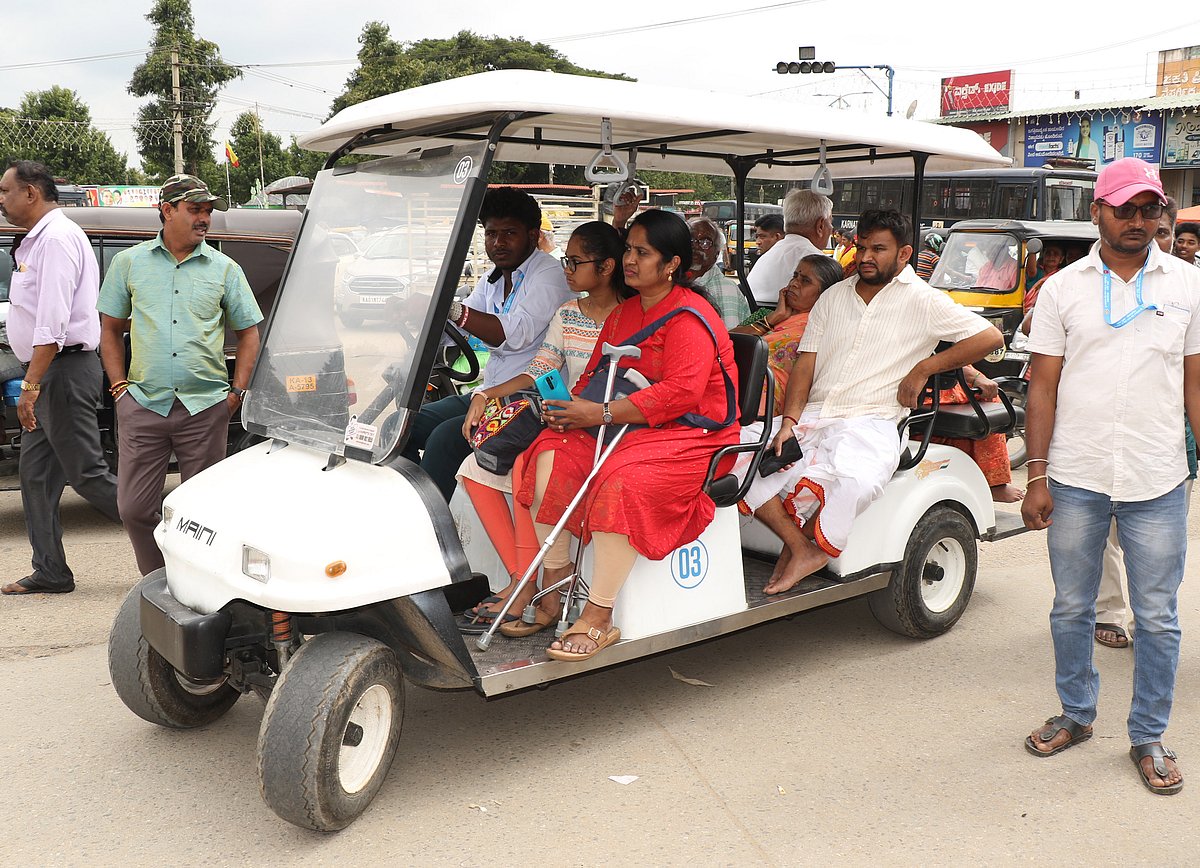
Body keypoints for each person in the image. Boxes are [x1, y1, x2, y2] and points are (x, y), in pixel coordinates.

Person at [1021, 157, 1200, 796]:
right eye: (1124, 208)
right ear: (1096, 210)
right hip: (1075, 473)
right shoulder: (1063, 289)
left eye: (1150, 208)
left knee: (1157, 616)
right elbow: (1041, 388)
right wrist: (1035, 474)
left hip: (1157, 475)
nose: (1139, 220)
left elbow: (1196, 384)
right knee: (1072, 605)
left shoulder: (1188, 285)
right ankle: (1076, 713)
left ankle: (1148, 735)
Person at [515, 209, 740, 661]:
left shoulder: (690, 318)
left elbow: (681, 395)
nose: (630, 260)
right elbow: (599, 373)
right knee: (550, 452)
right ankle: (555, 587)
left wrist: (596, 413)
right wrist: (569, 411)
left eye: (642, 252)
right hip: (626, 421)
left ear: (672, 263)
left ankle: (599, 615)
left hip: (694, 434)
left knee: (621, 479)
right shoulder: (626, 313)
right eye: (629, 250)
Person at [741, 209, 1001, 595]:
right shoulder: (833, 297)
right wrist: (789, 421)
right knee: (736, 452)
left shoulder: (924, 300)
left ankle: (801, 550)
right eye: (862, 247)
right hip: (815, 416)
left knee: (853, 482)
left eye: (878, 249)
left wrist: (924, 369)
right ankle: (801, 549)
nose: (865, 257)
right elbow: (805, 366)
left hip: (875, 422)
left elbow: (990, 338)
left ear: (904, 253)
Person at [455, 222, 632, 633]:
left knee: (524, 466)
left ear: (606, 267)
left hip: (606, 428)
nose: (566, 268)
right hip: (560, 420)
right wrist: (486, 395)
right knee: (474, 469)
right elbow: (540, 370)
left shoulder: (631, 317)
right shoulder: (568, 314)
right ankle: (525, 577)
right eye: (564, 259)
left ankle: (527, 586)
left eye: (574, 261)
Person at [96, 174, 261, 577]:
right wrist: (120, 389)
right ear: (167, 211)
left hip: (205, 408)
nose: (204, 218)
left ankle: (198, 586)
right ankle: (159, 583)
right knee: (133, 509)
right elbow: (110, 330)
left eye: (207, 211)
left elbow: (250, 334)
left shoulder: (224, 269)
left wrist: (236, 393)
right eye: (195, 209)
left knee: (202, 514)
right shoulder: (128, 263)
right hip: (143, 405)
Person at [401, 187, 572, 501]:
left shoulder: (548, 275)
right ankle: (412, 506)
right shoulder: (494, 277)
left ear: (533, 235)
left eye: (509, 233)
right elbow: (461, 323)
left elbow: (512, 333)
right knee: (405, 424)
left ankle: (438, 529)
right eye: (491, 233)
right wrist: (416, 314)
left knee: (443, 440)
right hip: (490, 391)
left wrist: (449, 309)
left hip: (529, 400)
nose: (498, 243)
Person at [0, 161, 120, 595]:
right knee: (34, 477)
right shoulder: (37, 241)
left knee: (87, 474)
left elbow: (52, 323)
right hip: (51, 370)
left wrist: (30, 386)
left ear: (30, 193)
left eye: (5, 190)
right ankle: (50, 570)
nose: (1, 199)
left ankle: (182, 539)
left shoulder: (56, 239)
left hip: (61, 370)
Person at [1092, 199, 1197, 651]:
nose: (1153, 239)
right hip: (1102, 438)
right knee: (1106, 534)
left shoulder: (1189, 290)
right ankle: (1110, 610)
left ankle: (1153, 620)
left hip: (1173, 443)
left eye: (1162, 233)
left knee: (1158, 545)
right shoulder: (1094, 283)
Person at [732, 253, 844, 411]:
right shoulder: (765, 314)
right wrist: (773, 318)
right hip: (736, 382)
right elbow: (727, 340)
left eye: (805, 281)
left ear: (825, 294)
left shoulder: (823, 328)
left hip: (764, 401)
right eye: (795, 276)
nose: (794, 284)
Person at [930, 365, 1024, 503]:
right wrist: (975, 376)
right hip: (929, 386)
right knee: (987, 397)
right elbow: (948, 356)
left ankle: (977, 479)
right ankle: (993, 483)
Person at [747, 189, 833, 304]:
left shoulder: (767, 257)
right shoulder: (819, 263)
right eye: (830, 222)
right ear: (820, 225)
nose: (832, 228)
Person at [688, 216, 749, 328]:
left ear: (717, 253)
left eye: (705, 242)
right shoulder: (671, 280)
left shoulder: (725, 289)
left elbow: (729, 336)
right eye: (690, 240)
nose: (695, 246)